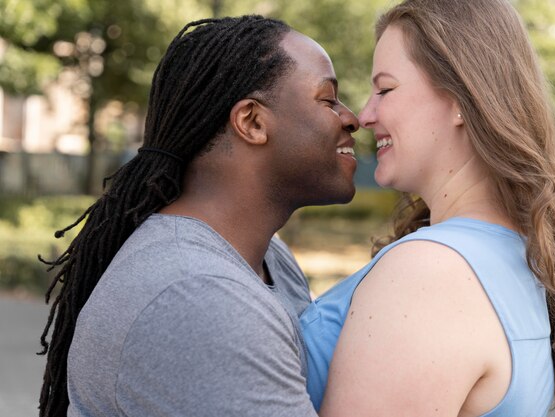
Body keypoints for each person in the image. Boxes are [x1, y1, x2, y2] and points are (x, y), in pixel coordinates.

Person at [37, 15, 359, 417]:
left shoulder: (267, 258)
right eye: (328, 99)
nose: (352, 118)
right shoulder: (199, 295)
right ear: (252, 122)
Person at [300, 1, 555, 416]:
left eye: (385, 89)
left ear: (462, 98)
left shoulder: (431, 275)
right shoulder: (508, 254)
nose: (365, 115)